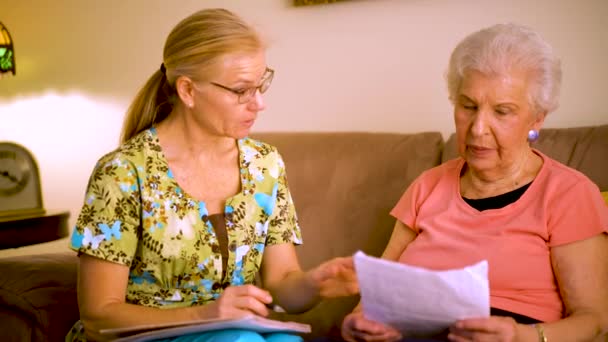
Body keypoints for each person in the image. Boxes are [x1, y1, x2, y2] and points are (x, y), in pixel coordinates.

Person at [66, 8, 357, 342]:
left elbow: (281, 286)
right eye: (241, 90)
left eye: (262, 84)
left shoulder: (265, 164)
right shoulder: (122, 173)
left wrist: (315, 283)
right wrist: (207, 314)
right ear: (188, 90)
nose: (259, 103)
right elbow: (98, 316)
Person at [341, 23, 608, 342]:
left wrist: (520, 336)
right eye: (468, 106)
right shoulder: (428, 185)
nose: (478, 127)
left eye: (502, 112)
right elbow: (371, 300)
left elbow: (594, 319)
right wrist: (357, 325)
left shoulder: (569, 193)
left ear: (537, 118)